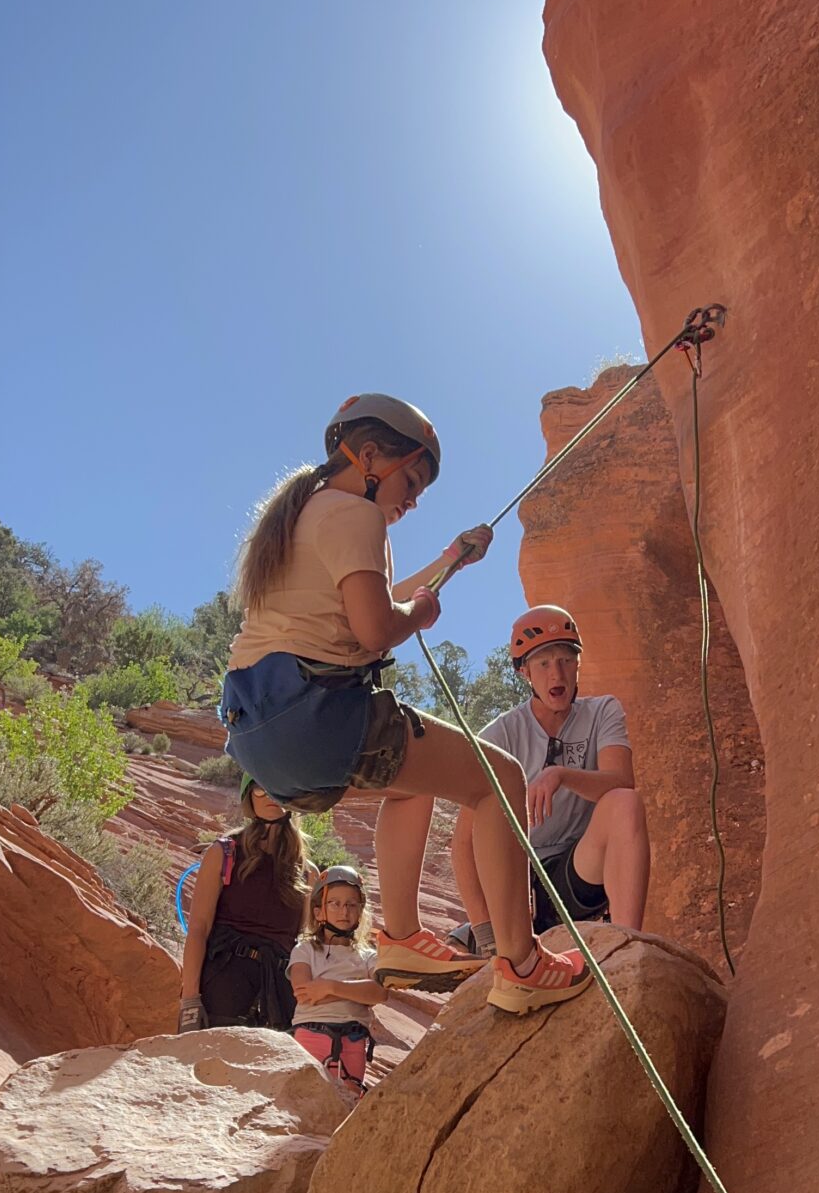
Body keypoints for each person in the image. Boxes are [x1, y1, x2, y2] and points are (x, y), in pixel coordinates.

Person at [219, 394, 591, 1017]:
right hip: (316, 717)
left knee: (408, 783)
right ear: (369, 457)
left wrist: (450, 562)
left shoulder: (302, 515)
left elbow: (368, 597)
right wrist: (418, 615)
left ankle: (397, 938)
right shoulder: (354, 516)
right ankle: (523, 965)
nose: (413, 498)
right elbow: (376, 627)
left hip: (260, 731)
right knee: (501, 779)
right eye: (411, 479)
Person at [451, 606, 650, 949]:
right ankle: (481, 936)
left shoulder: (602, 711)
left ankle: (626, 946)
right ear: (525, 672)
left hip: (577, 871)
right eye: (543, 663)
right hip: (518, 883)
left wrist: (561, 775)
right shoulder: (500, 736)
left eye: (566, 660)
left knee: (625, 802)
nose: (556, 673)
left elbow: (621, 780)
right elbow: (464, 842)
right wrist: (487, 936)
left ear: (578, 665)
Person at [177, 774, 313, 1032]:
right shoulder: (225, 852)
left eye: (279, 787)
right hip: (224, 983)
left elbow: (302, 943)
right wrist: (190, 1000)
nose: (271, 796)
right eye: (261, 789)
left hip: (278, 996)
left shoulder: (306, 871)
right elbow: (198, 928)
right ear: (248, 796)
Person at [289, 863, 384, 1098]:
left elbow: (380, 993)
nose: (344, 912)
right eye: (335, 903)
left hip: (352, 1040)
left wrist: (329, 987)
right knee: (308, 1103)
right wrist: (355, 993)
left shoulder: (368, 956)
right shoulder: (305, 950)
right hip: (312, 1036)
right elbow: (304, 993)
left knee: (347, 1103)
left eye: (352, 905)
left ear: (361, 912)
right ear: (319, 911)